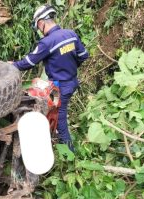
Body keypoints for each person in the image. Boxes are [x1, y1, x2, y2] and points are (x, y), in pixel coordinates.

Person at [11, 4, 89, 151]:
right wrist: (71, 66)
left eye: (38, 27)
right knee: (57, 114)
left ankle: (70, 155)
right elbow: (84, 55)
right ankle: (57, 141)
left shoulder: (47, 42)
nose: (40, 30)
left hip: (61, 87)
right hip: (72, 82)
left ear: (41, 23)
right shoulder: (71, 34)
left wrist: (12, 66)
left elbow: (29, 62)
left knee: (61, 120)